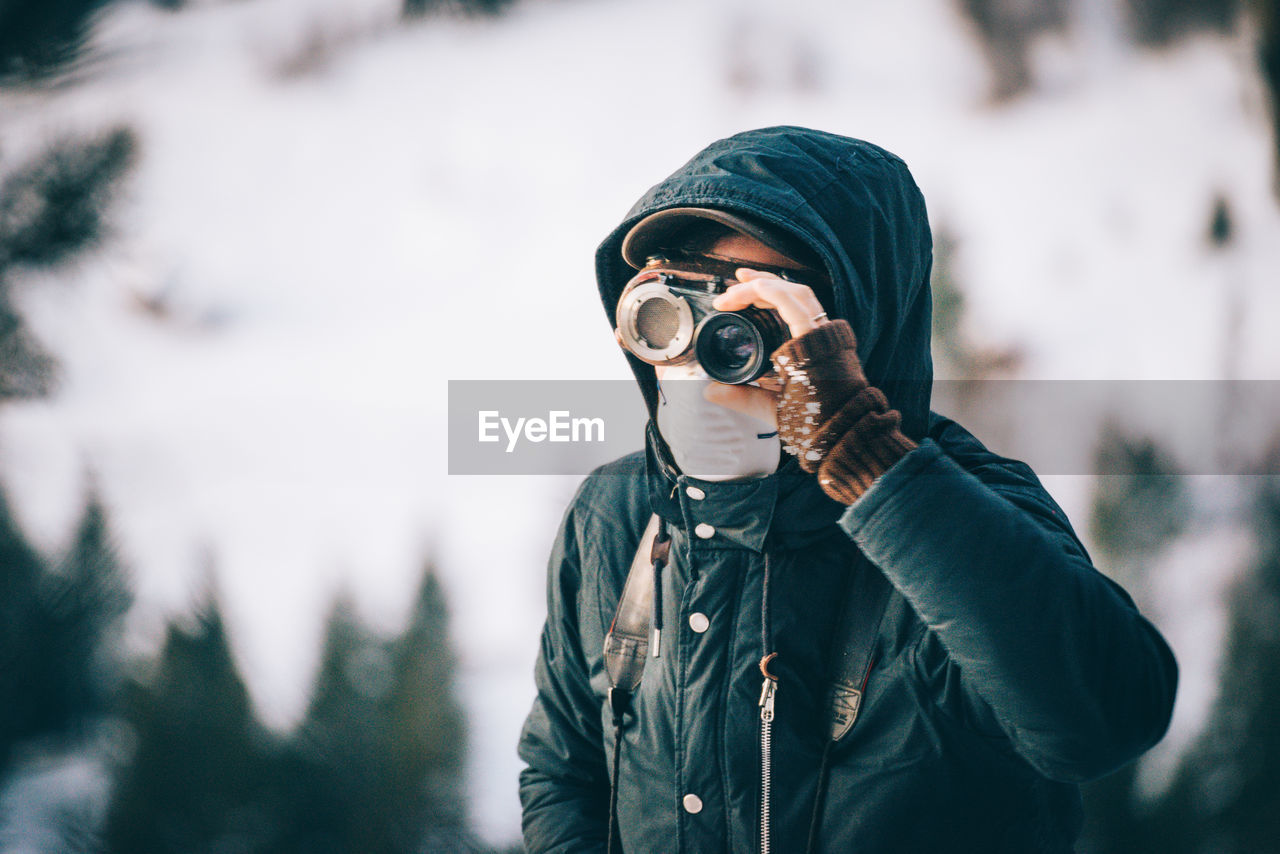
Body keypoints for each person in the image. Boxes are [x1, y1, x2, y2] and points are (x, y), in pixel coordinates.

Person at [517, 126, 1177, 853]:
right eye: (673, 304)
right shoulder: (616, 514)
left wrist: (863, 460)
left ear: (850, 329)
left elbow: (1110, 720)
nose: (705, 357)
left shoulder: (954, 513)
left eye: (749, 325)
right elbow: (564, 770)